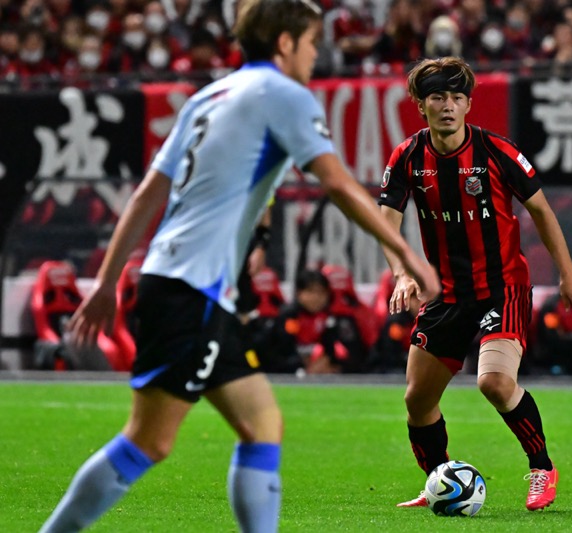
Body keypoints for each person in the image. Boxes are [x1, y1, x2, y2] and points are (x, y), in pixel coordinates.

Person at [39, 1, 439, 532]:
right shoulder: (283, 95)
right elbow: (337, 183)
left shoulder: (206, 98)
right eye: (311, 43)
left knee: (262, 425)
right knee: (149, 440)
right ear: (284, 44)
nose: (316, 54)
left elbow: (144, 197)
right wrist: (408, 255)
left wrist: (109, 282)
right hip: (192, 288)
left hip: (185, 284)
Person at [378, 56, 572, 511]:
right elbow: (387, 222)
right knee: (417, 400)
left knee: (493, 381)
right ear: (421, 105)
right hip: (445, 293)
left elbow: (542, 212)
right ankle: (440, 479)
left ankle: (542, 468)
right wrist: (400, 272)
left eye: (456, 97)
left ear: (469, 104)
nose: (448, 106)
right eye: (438, 97)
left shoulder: (497, 152)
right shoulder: (407, 157)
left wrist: (568, 275)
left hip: (502, 287)